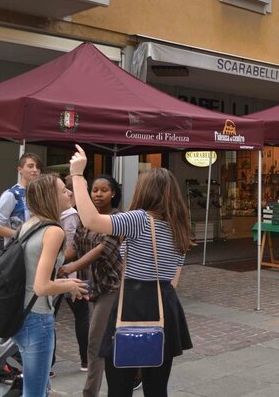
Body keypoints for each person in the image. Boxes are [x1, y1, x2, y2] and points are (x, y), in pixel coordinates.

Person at [69, 146, 192, 397]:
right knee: (156, 388)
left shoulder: (139, 220)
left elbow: (91, 220)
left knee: (120, 385)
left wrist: (78, 175)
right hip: (165, 303)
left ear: (144, 192)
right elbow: (174, 276)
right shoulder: (180, 226)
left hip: (133, 303)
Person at [15, 174, 89, 397]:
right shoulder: (54, 231)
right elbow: (41, 287)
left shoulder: (30, 224)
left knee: (36, 385)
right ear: (50, 197)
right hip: (37, 317)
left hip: (20, 313)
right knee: (36, 391)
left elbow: (33, 276)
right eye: (63, 190)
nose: (68, 193)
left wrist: (67, 282)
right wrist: (67, 286)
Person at [60, 175, 124, 396]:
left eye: (103, 190)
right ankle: (130, 374)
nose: (97, 194)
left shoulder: (117, 218)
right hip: (92, 287)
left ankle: (89, 392)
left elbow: (102, 249)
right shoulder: (85, 219)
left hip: (111, 287)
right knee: (104, 340)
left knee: (94, 342)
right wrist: (56, 261)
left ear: (113, 193)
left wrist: (71, 267)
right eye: (94, 190)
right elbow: (75, 247)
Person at [57, 176, 90, 374]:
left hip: (59, 271)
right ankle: (86, 360)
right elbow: (71, 246)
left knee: (49, 317)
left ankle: (49, 363)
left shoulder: (55, 213)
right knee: (82, 315)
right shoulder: (71, 214)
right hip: (69, 273)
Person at [0, 153, 43, 246]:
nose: (35, 170)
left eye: (38, 167)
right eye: (30, 166)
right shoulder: (11, 194)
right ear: (20, 170)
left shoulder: (41, 194)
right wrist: (21, 235)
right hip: (17, 251)